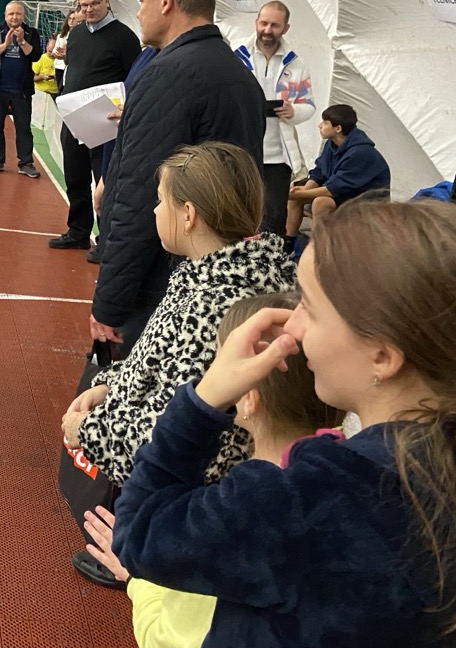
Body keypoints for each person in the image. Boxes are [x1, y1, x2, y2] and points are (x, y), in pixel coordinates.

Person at [112, 199, 456, 647]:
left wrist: (206, 397)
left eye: (309, 308)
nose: (292, 328)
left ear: (382, 356)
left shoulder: (314, 496)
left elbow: (139, 532)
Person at [61, 142, 294, 587]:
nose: (154, 211)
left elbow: (169, 434)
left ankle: (139, 563)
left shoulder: (214, 303)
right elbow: (161, 366)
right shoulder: (226, 273)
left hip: (183, 512)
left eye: (160, 200)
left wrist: (86, 431)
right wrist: (110, 383)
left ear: (188, 215)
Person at [81, 291, 345, 646]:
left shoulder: (240, 516)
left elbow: (168, 638)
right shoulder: (348, 470)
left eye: (221, 364)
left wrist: (139, 576)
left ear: (249, 397)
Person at [91, 0, 266, 354]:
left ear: (166, 1)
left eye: (141, 0)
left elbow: (139, 197)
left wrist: (110, 301)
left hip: (160, 287)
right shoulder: (240, 76)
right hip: (213, 284)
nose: (138, 12)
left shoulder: (166, 76)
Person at [48, 0, 141, 250]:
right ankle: (78, 231)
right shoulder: (76, 34)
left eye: (94, 4)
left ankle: (106, 240)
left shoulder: (124, 37)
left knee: (104, 180)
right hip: (74, 119)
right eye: (83, 5)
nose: (88, 9)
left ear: (106, 1)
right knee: (74, 177)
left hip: (105, 124)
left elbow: (133, 79)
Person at [234, 1, 315, 235]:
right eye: (264, 23)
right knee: (242, 213)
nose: (267, 30)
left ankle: (273, 256)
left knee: (275, 216)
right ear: (256, 22)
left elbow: (308, 105)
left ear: (286, 28)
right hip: (244, 150)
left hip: (279, 156)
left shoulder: (296, 64)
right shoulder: (237, 57)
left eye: (275, 25)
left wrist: (293, 112)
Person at [286, 103, 391, 240]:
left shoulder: (360, 152)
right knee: (296, 199)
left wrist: (298, 194)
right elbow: (319, 171)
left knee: (320, 203)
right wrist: (304, 191)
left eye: (325, 123)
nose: (319, 126)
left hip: (365, 201)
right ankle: (287, 243)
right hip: (344, 195)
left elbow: (333, 189)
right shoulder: (332, 144)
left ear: (338, 128)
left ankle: (320, 247)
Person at [0, 1, 42, 179]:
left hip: (21, 91)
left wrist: (21, 41)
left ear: (23, 16)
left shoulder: (31, 33)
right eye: (11, 14)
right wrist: (5, 44)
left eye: (18, 14)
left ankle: (26, 162)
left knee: (23, 128)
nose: (15, 17)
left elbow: (36, 56)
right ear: (5, 16)